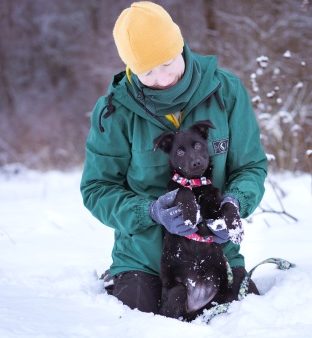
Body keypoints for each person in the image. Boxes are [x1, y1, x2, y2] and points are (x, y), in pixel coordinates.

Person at [80, 1, 267, 315]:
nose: (162, 78)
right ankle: (120, 277)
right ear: (131, 69)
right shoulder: (114, 112)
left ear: (180, 45)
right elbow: (97, 189)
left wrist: (234, 202)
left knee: (247, 322)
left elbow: (250, 166)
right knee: (145, 326)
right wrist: (149, 211)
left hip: (216, 253)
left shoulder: (227, 91)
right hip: (146, 258)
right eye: (147, 71)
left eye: (167, 62)